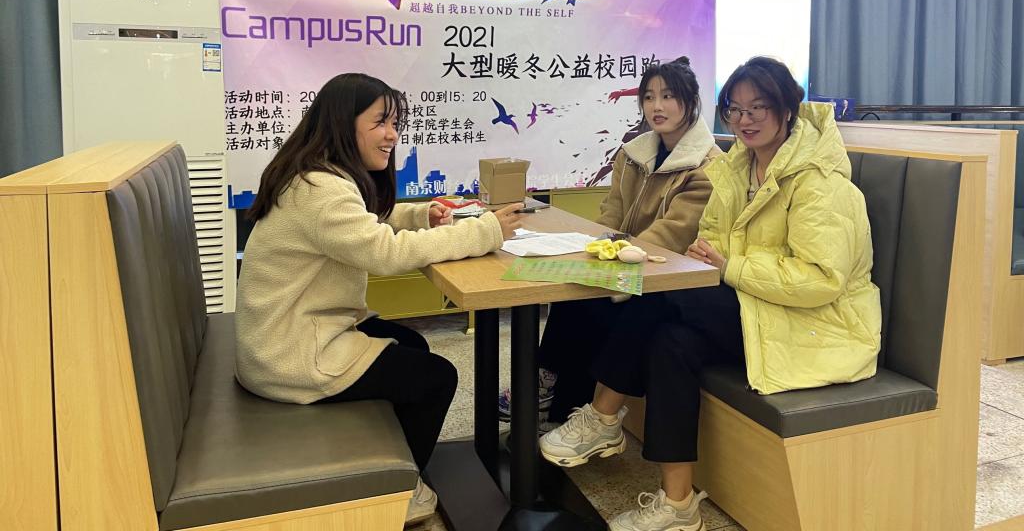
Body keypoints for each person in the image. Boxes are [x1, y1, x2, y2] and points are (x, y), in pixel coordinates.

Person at [539, 56, 881, 531]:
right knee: (669, 343)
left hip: (813, 325)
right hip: (754, 306)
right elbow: (710, 240)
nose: (745, 119)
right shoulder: (737, 169)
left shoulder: (820, 183)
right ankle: (678, 506)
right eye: (735, 109)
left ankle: (603, 415)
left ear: (787, 108)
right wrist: (718, 260)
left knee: (657, 295)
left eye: (758, 107)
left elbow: (821, 279)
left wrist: (729, 265)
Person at [235, 72, 524, 526]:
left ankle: (389, 461)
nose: (392, 135)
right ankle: (394, 491)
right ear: (342, 122)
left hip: (286, 335)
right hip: (290, 354)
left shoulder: (315, 175)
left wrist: (421, 214)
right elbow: (384, 252)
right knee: (437, 378)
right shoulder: (321, 189)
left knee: (413, 346)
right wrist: (484, 230)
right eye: (381, 122)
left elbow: (364, 223)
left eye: (395, 123)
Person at [499, 56, 720, 426]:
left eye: (668, 96)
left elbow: (673, 232)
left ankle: (556, 395)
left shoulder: (708, 166)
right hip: (625, 261)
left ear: (691, 101)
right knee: (573, 285)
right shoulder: (633, 152)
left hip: (663, 274)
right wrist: (594, 250)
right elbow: (611, 211)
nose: (657, 106)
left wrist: (616, 261)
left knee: (592, 302)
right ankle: (549, 385)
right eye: (648, 97)